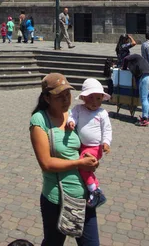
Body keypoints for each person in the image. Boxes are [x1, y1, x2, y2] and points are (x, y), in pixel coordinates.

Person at [30, 73, 100, 246]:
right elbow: (46, 163)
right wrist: (79, 163)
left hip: (84, 196)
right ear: (47, 98)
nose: (66, 100)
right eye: (59, 96)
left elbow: (87, 144)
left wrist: (93, 158)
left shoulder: (73, 115)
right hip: (57, 199)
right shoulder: (40, 120)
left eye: (67, 95)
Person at [67, 78, 112, 208]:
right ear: (84, 98)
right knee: (83, 167)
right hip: (82, 146)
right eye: (91, 98)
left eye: (98, 99)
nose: (94, 102)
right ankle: (91, 187)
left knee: (83, 165)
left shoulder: (102, 113)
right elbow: (72, 115)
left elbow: (107, 129)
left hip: (95, 148)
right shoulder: (79, 109)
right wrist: (71, 122)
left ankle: (94, 190)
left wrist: (106, 142)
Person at [123, 53, 149, 126]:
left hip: (145, 78)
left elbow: (125, 58)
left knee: (144, 98)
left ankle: (144, 119)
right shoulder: (140, 63)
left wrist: (123, 68)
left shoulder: (137, 56)